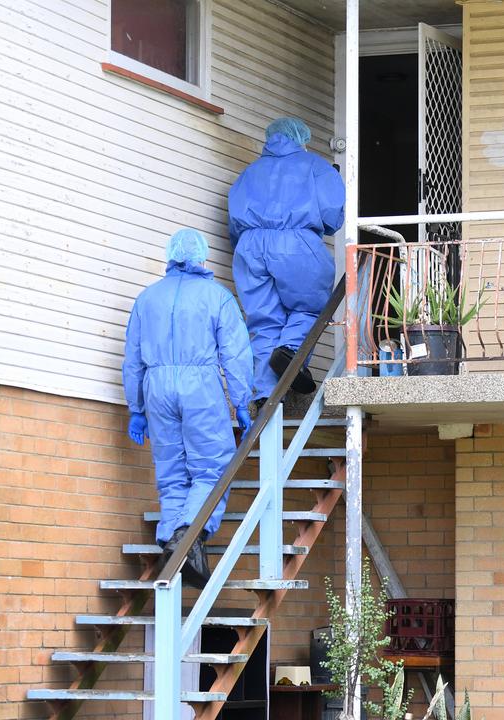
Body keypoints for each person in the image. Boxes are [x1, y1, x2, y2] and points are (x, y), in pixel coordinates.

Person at [122, 229, 254, 587]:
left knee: (171, 471)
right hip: (200, 387)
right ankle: (189, 533)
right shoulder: (217, 298)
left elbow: (132, 358)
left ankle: (171, 538)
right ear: (202, 257)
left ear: (170, 256)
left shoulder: (146, 300)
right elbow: (236, 354)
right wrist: (242, 402)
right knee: (212, 467)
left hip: (156, 388)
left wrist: (136, 407)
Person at [227, 116, 344, 408]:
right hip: (296, 243)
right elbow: (332, 217)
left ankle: (267, 393)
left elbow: (234, 222)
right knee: (308, 307)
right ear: (300, 139)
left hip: (249, 246)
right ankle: (290, 352)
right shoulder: (315, 167)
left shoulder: (248, 173)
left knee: (264, 320)